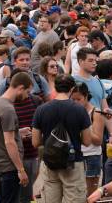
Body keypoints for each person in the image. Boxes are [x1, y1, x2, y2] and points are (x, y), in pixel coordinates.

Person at [32, 74, 92, 203]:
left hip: (50, 162)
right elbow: (87, 141)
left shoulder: (41, 110)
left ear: (55, 88)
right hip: (73, 162)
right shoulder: (80, 110)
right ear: (72, 89)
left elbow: (35, 142)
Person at [0, 71, 33, 203]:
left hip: (1, 166)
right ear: (20, 88)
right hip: (9, 167)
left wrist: (17, 133)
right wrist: (21, 169)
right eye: (27, 92)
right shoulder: (8, 109)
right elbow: (9, 142)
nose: (27, 97)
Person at [71, 82, 105, 197]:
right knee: (76, 192)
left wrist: (84, 125)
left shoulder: (96, 113)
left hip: (92, 156)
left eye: (78, 99)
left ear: (86, 97)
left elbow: (98, 140)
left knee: (90, 194)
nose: (75, 102)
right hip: (75, 155)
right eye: (73, 99)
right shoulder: (71, 112)